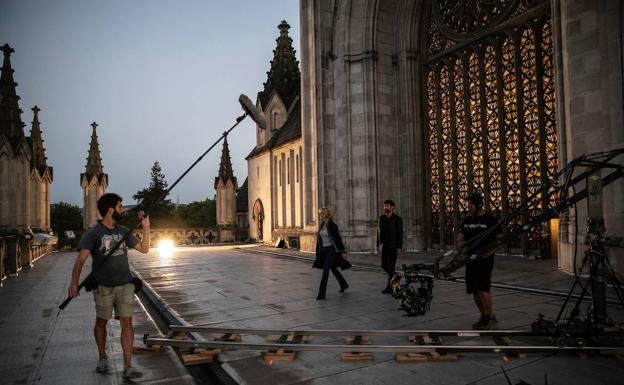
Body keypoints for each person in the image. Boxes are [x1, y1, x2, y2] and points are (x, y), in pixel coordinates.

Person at [67, 193, 150, 379]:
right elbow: (81, 260)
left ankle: (128, 366)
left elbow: (144, 249)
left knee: (127, 323)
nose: (123, 210)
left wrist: (146, 227)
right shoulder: (94, 233)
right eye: (121, 206)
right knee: (101, 323)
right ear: (111, 210)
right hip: (103, 286)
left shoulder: (124, 230)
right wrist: (74, 283)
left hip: (125, 285)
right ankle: (103, 357)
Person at [457, 193, 503, 330]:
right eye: (467, 205)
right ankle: (483, 316)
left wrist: (490, 252)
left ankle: (491, 317)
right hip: (470, 259)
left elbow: (501, 239)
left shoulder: (490, 220)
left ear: (478, 205)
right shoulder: (466, 221)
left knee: (482, 288)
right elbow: (460, 239)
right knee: (474, 289)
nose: (468, 207)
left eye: (470, 205)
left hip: (484, 259)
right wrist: (461, 246)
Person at [313, 207, 351, 300]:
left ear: (326, 214)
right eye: (320, 213)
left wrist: (343, 251)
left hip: (332, 250)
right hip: (324, 251)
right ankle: (344, 284)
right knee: (333, 269)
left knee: (325, 271)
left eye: (322, 213)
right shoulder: (322, 225)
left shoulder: (333, 225)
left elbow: (338, 239)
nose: (320, 215)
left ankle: (321, 294)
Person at [378, 199, 403, 294]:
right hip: (385, 246)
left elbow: (400, 234)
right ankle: (395, 276)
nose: (385, 207)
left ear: (392, 207)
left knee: (391, 267)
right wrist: (378, 244)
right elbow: (378, 232)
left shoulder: (397, 219)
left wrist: (399, 247)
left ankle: (389, 287)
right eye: (384, 206)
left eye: (387, 206)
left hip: (394, 246)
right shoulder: (382, 218)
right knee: (384, 265)